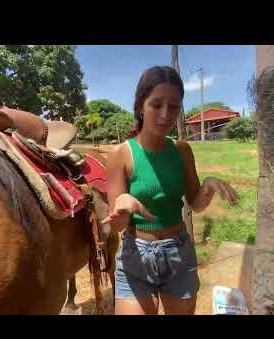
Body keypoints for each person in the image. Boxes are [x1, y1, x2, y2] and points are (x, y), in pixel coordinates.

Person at [102, 66, 239, 315]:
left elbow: (195, 204)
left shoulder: (182, 150)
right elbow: (117, 225)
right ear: (140, 106)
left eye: (174, 107)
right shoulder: (120, 154)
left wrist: (207, 187)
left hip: (179, 253)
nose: (166, 115)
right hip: (136, 257)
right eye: (157, 105)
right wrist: (122, 206)